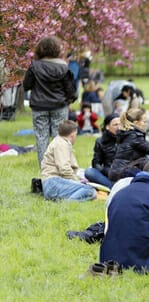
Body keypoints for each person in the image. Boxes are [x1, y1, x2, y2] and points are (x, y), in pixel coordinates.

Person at [23, 36, 76, 166]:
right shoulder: (64, 67)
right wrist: (70, 100)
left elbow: (26, 85)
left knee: (41, 138)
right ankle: (60, 165)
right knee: (60, 137)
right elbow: (70, 90)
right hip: (59, 106)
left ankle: (45, 167)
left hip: (39, 106)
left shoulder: (34, 66)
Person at [40, 120, 96, 201]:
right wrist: (77, 181)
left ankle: (64, 198)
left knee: (88, 188)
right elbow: (64, 169)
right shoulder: (61, 145)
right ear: (72, 135)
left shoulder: (60, 141)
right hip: (53, 183)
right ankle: (68, 202)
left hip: (53, 183)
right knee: (89, 190)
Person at [84, 113, 120, 188]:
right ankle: (113, 187)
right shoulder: (100, 141)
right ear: (107, 127)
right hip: (108, 174)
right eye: (115, 125)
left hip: (124, 174)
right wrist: (107, 171)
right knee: (89, 172)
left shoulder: (127, 138)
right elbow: (96, 164)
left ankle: (115, 187)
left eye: (120, 124)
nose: (118, 127)